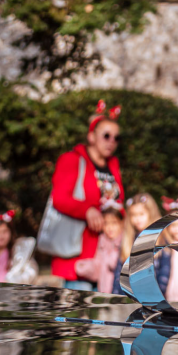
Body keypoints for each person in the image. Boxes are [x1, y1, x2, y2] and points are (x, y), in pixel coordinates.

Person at [49, 101, 124, 290]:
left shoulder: (113, 165)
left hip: (108, 255)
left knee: (104, 316)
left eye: (116, 138)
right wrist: (87, 210)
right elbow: (59, 198)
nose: (111, 141)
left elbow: (117, 202)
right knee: (79, 316)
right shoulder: (72, 160)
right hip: (80, 253)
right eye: (106, 135)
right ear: (91, 136)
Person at [113, 193, 167, 297]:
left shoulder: (161, 240)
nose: (137, 219)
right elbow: (118, 274)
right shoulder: (128, 241)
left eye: (141, 214)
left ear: (151, 213)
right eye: (133, 215)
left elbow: (165, 273)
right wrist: (116, 296)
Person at [74, 199, 124, 293]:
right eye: (106, 223)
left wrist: (114, 257)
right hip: (103, 290)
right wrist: (87, 267)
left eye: (114, 223)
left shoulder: (124, 242)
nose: (110, 227)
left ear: (121, 223)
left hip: (119, 291)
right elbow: (98, 267)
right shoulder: (102, 242)